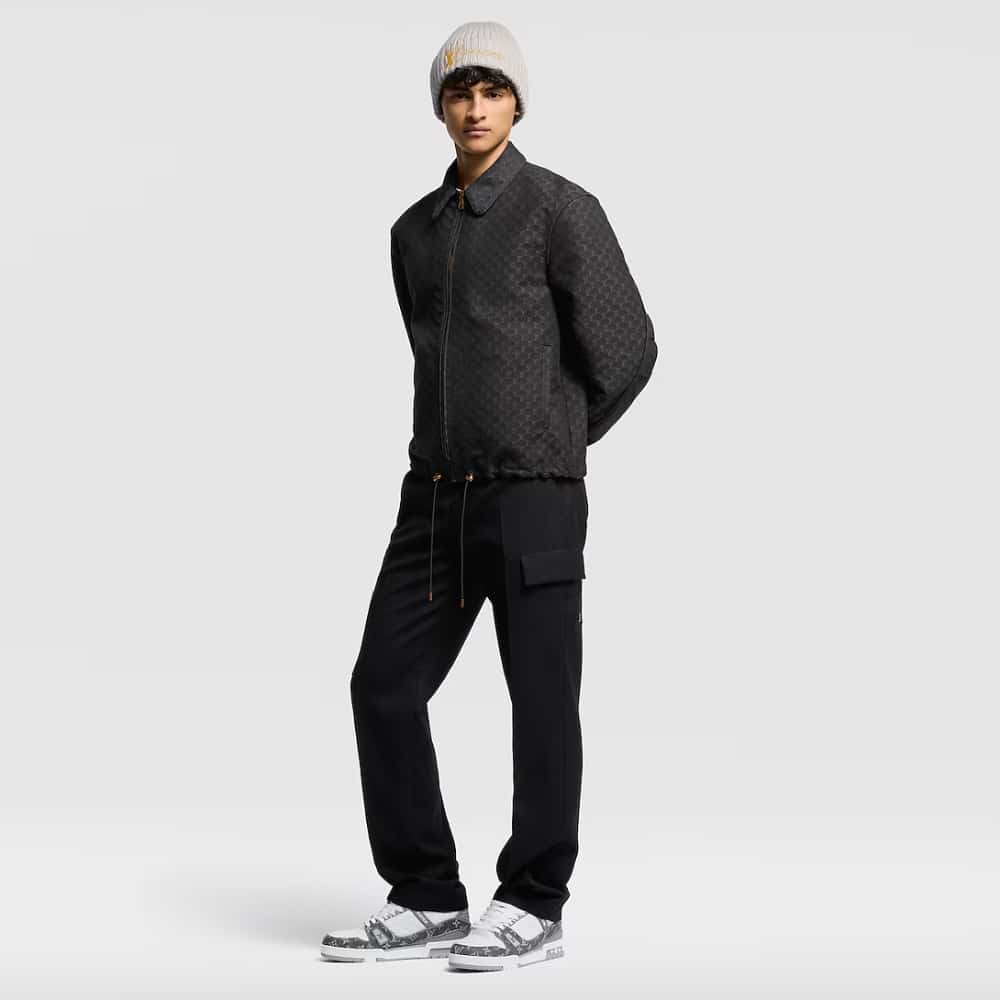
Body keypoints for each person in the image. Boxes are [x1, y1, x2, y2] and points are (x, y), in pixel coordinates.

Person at [320, 20, 657, 973]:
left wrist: (553, 441)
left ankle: (534, 902)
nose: (475, 109)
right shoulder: (413, 233)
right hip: (433, 496)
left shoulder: (560, 209)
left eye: (493, 91)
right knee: (383, 685)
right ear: (440, 107)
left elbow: (629, 351)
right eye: (459, 93)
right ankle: (426, 894)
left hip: (534, 496)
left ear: (517, 103)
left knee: (541, 698)